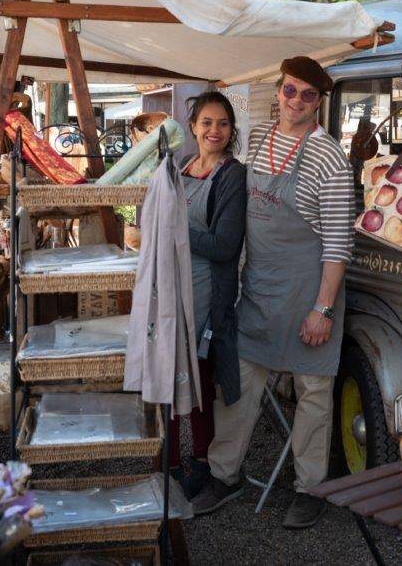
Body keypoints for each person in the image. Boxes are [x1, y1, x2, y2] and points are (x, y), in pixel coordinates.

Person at [193, 57, 355, 529]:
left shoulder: (331, 158)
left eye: (307, 94)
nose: (296, 101)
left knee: (313, 396)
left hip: (309, 297)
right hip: (260, 292)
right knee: (238, 388)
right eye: (290, 91)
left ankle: (310, 488)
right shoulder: (260, 139)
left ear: (319, 102)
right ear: (279, 92)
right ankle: (225, 476)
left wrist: (322, 310)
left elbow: (338, 245)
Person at [171, 91, 247, 498]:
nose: (214, 130)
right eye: (207, 123)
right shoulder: (184, 167)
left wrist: (176, 230)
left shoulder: (232, 176)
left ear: (231, 130)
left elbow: (224, 246)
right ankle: (170, 459)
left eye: (222, 123)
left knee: (201, 381)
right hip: (175, 289)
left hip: (208, 296)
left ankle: (202, 462)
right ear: (193, 127)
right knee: (171, 373)